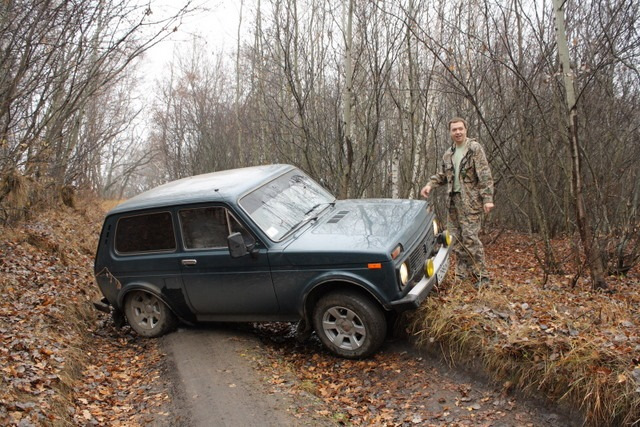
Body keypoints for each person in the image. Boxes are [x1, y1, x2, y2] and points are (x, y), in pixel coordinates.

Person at [420, 118, 494, 287]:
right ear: (450, 132)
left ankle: (482, 277)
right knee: (455, 240)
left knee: (470, 238)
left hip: (471, 202)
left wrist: (488, 199)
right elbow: (443, 175)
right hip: (453, 202)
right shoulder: (449, 153)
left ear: (466, 130)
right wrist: (430, 185)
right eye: (454, 130)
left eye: (460, 129)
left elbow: (484, 174)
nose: (458, 132)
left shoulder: (474, 149)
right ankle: (462, 275)